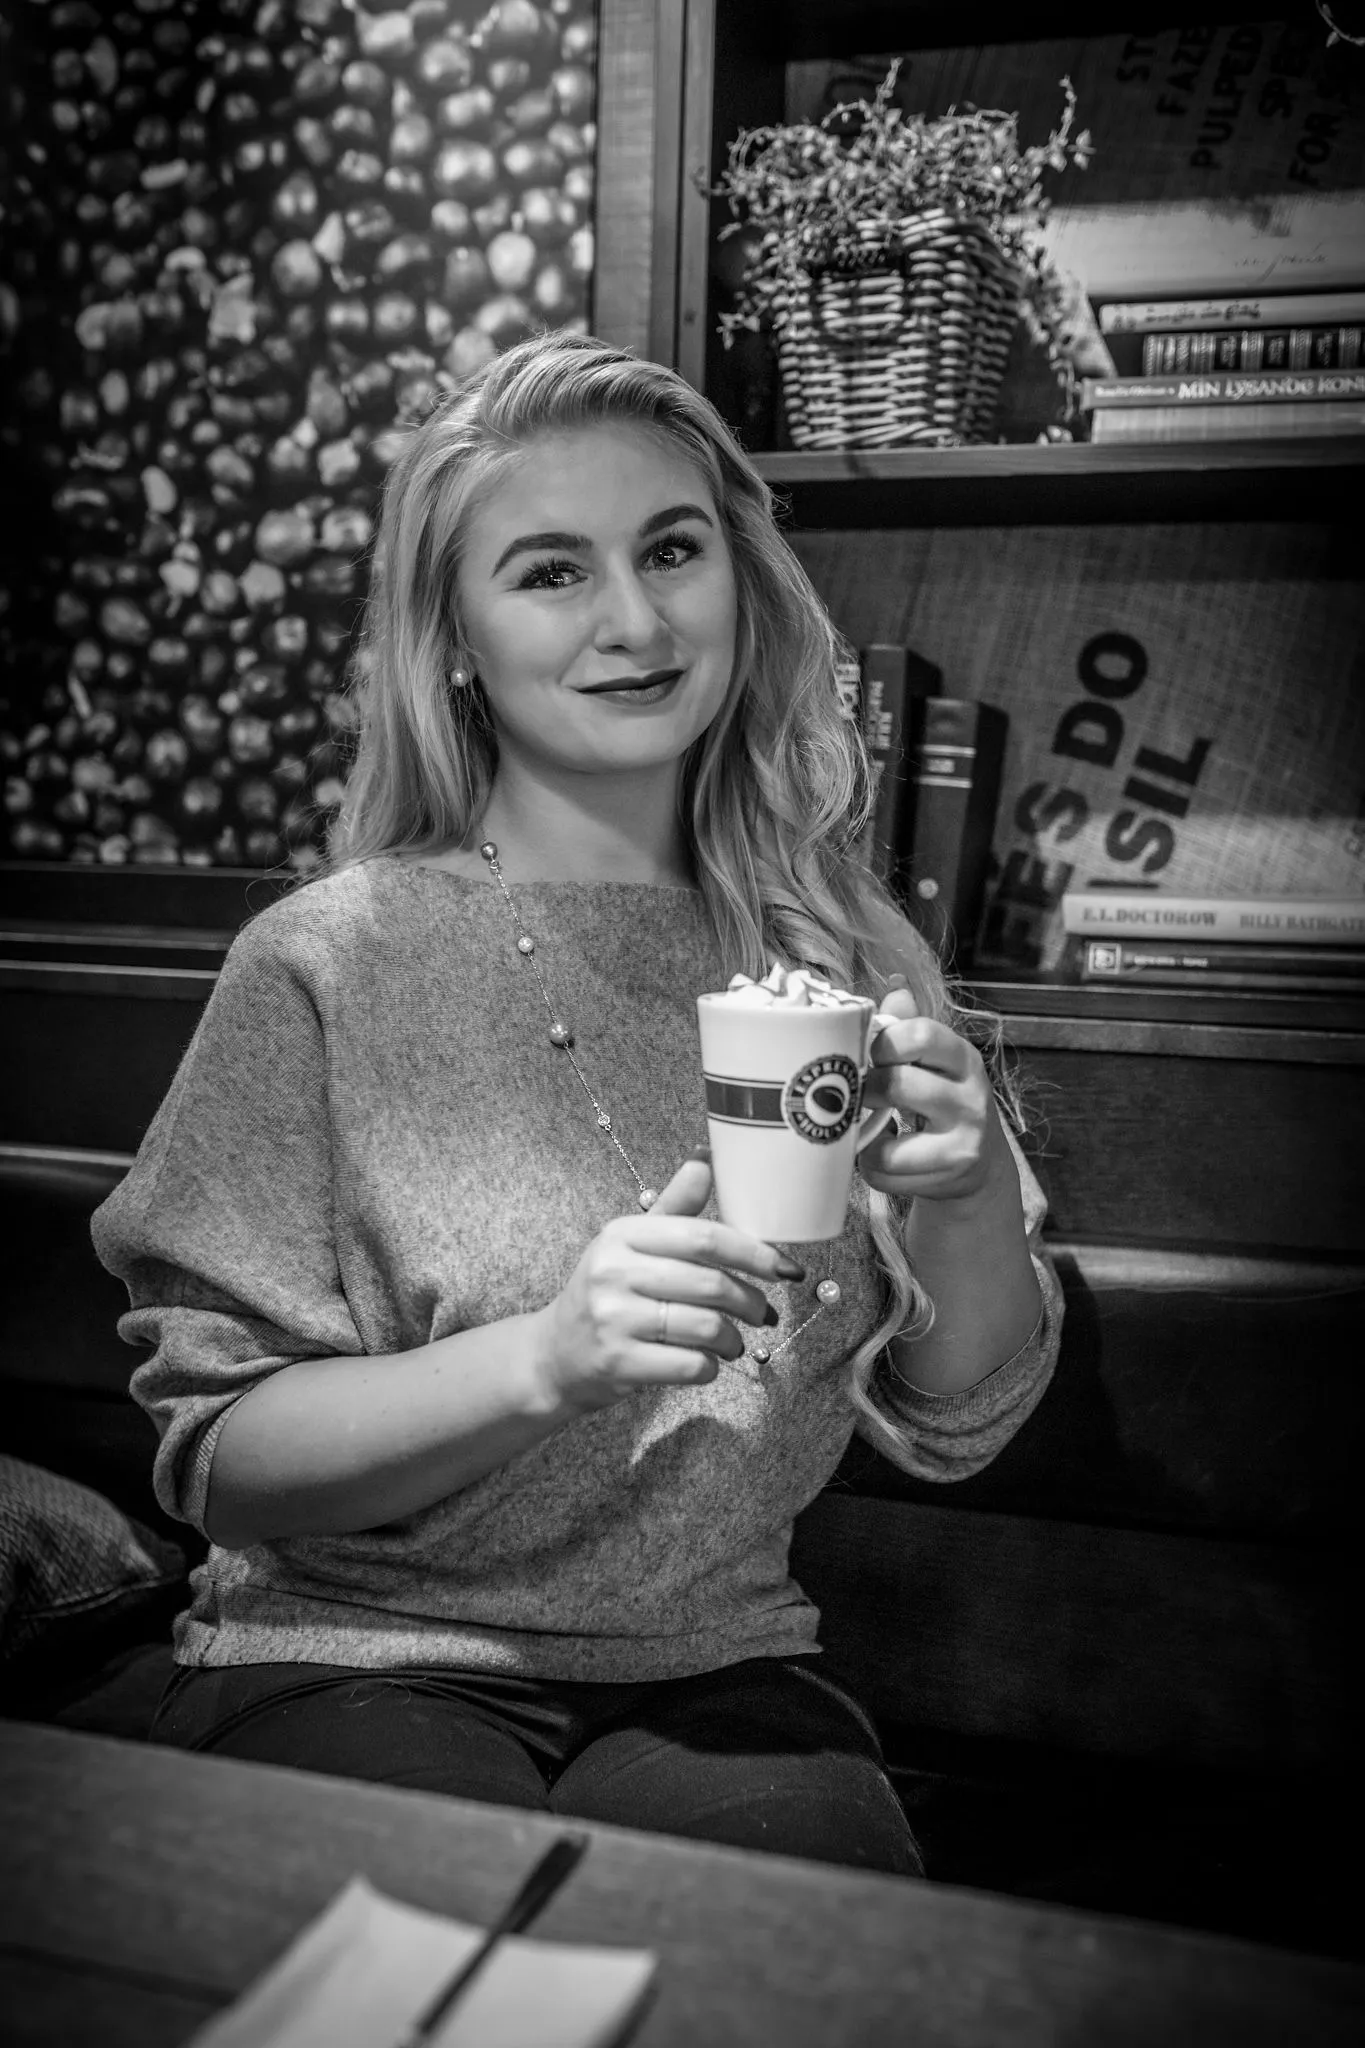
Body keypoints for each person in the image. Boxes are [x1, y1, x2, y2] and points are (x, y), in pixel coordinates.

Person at [92, 330, 1062, 1878]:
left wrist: (959, 1215)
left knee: (786, 1991)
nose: (634, 620)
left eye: (671, 550)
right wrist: (546, 1360)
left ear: (737, 579)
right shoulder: (327, 961)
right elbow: (221, 1449)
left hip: (725, 1666)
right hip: (349, 1653)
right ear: (454, 636)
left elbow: (962, 1418)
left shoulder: (845, 962)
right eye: (551, 571)